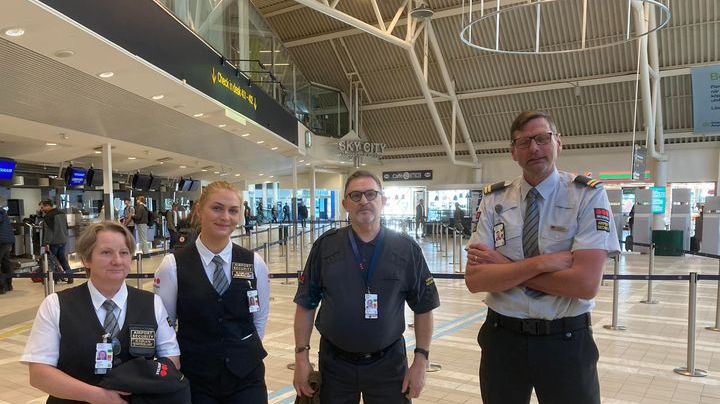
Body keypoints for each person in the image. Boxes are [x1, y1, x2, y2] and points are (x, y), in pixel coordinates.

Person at [464, 111, 620, 404]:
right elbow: (475, 279)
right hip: (503, 339)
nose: (534, 148)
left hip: (566, 341)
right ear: (513, 152)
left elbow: (585, 284)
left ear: (558, 143)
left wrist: (505, 268)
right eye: (523, 142)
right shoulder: (494, 200)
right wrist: (542, 263)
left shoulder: (586, 196)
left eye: (542, 138)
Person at [293, 170, 440, 403]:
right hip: (335, 365)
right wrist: (301, 358)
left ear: (383, 200)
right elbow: (306, 305)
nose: (364, 201)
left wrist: (421, 360)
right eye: (356, 196)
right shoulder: (325, 247)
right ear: (345, 204)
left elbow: (424, 307)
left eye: (371, 194)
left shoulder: (405, 249)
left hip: (389, 365)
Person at [21, 221, 180, 403]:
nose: (117, 261)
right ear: (86, 259)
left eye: (124, 253)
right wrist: (97, 396)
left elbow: (171, 359)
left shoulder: (152, 303)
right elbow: (39, 373)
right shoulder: (56, 305)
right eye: (106, 252)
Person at [154, 181, 270, 403]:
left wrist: (243, 351)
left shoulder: (254, 262)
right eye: (217, 208)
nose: (225, 217)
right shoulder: (174, 265)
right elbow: (165, 323)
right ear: (199, 210)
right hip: (196, 377)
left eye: (233, 211)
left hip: (246, 376)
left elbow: (260, 316)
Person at [39, 200, 74, 284]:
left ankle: (53, 279)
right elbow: (66, 226)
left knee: (51, 260)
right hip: (63, 240)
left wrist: (46, 243)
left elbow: (49, 231)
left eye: (42, 207)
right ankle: (70, 277)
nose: (41, 209)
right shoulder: (61, 213)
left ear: (47, 205)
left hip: (53, 242)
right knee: (62, 259)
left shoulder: (48, 217)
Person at [0, 198, 14, 294]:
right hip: (7, 240)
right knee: (6, 263)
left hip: (1, 241)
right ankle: (8, 285)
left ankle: (1, 287)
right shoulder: (3, 212)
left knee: (4, 263)